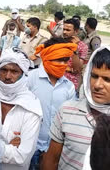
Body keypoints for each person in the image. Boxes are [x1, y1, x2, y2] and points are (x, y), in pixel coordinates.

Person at [42, 45, 110, 170]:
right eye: (94, 76)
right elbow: (51, 160)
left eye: (108, 79)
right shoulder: (67, 111)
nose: (97, 85)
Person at [27, 38, 77, 169]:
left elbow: (69, 120)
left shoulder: (69, 87)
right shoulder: (30, 79)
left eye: (65, 60)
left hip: (55, 150)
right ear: (47, 57)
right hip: (30, 147)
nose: (62, 64)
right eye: (58, 59)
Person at [0, 49, 42, 170]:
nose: (8, 76)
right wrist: (7, 148)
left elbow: (22, 156)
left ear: (22, 74)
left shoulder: (31, 106)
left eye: (14, 71)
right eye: (4, 70)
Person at [63, 18, 88, 92]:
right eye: (64, 29)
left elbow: (77, 69)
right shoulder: (59, 43)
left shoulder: (82, 47)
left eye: (68, 30)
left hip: (70, 83)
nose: (64, 32)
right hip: (56, 79)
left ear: (76, 31)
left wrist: (74, 49)